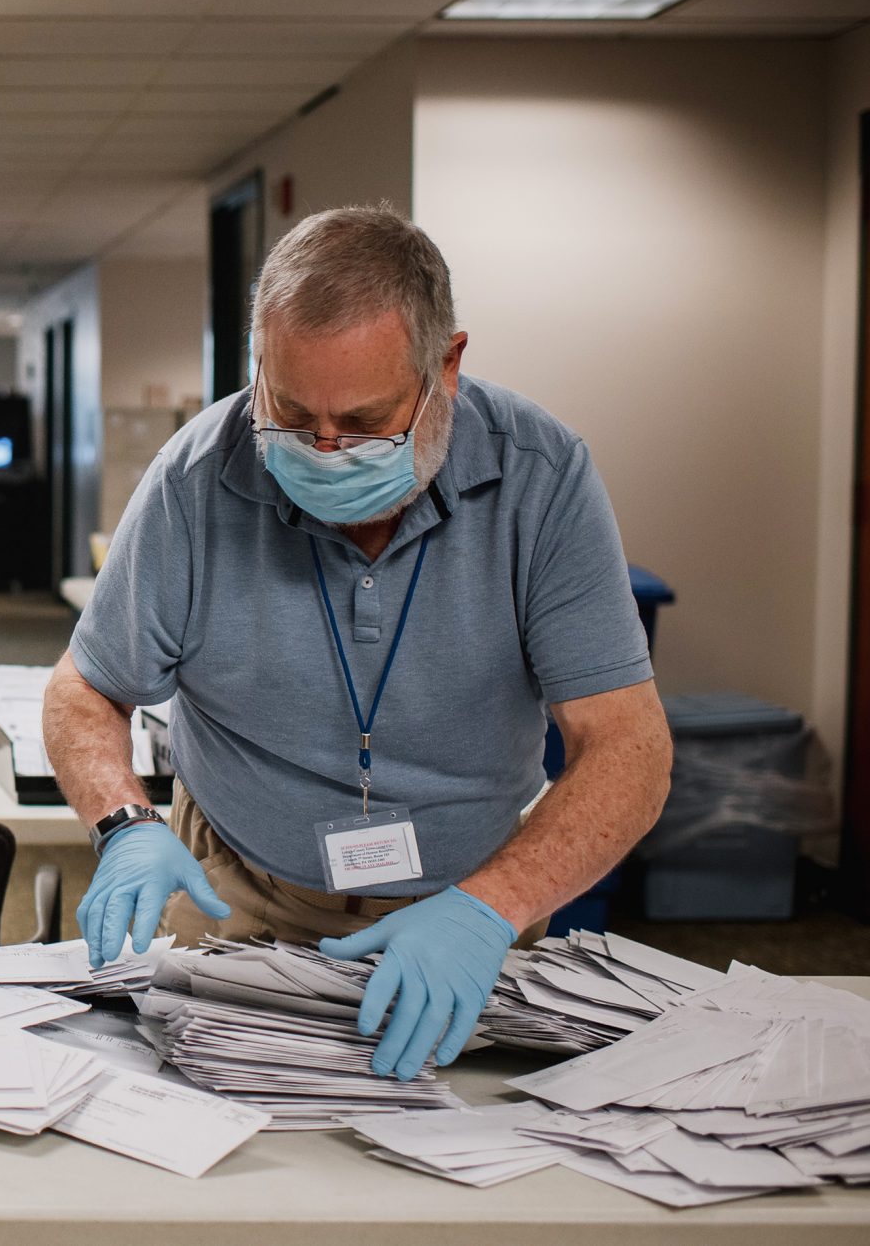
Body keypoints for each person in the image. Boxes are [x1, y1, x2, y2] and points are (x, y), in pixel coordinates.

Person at [45, 206, 671, 1080]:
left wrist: (489, 911)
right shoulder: (198, 477)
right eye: (293, 414)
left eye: (367, 422)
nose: (327, 450)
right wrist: (124, 823)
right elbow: (86, 688)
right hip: (239, 896)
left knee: (467, 1176)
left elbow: (628, 749)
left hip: (469, 907)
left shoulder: (541, 475)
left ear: (445, 366)